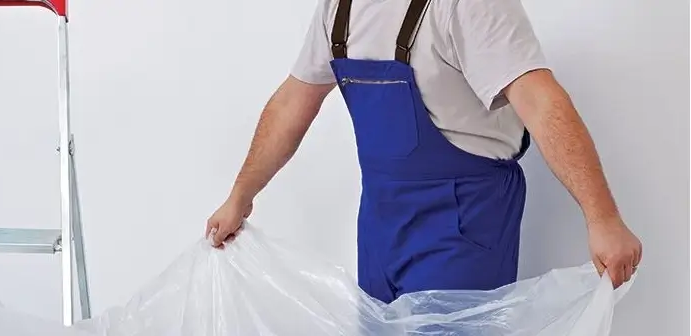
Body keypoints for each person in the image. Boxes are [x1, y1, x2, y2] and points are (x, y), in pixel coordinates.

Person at [206, 0, 642, 300]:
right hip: (380, 222)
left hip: (463, 219)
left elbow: (542, 102)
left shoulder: (467, 5)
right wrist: (241, 195)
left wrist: (602, 218)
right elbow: (291, 103)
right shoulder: (339, 9)